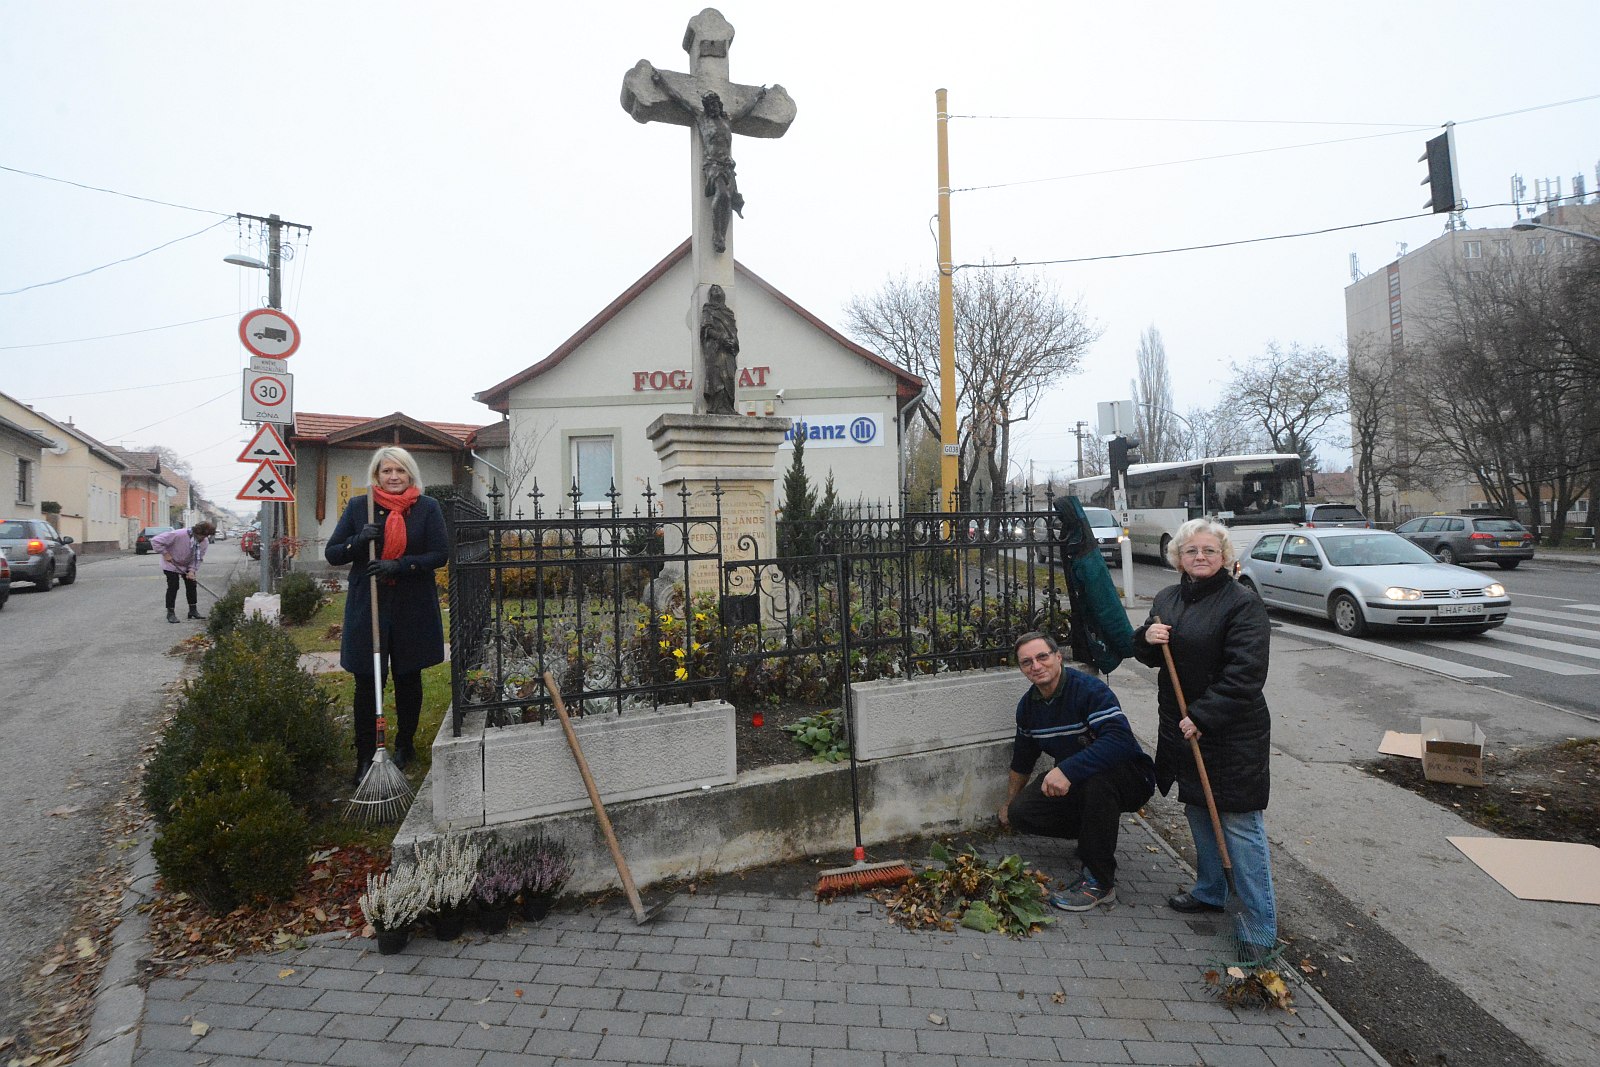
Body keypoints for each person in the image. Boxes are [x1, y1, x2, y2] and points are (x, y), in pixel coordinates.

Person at [1132, 517, 1278, 957]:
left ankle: (1260, 929)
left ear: (1225, 556)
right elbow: (1147, 656)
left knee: (1239, 823)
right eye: (1192, 551)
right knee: (1197, 809)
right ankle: (1211, 890)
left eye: (1209, 551)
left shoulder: (1242, 604)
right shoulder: (1167, 598)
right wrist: (1146, 637)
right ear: (1178, 556)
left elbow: (1246, 673)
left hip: (1231, 731)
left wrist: (1204, 715)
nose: (1200, 557)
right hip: (1181, 725)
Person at [999, 631, 1156, 911]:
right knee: (1021, 813)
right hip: (1080, 780)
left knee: (1098, 782)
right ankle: (1092, 836)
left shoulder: (1089, 690)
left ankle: (1099, 881)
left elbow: (1119, 740)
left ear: (1058, 657)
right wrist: (1010, 802)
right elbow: (1023, 759)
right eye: (1027, 662)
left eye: (1042, 657)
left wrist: (1067, 770)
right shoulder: (1028, 707)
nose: (1036, 666)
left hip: (1130, 775)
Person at [325, 446, 449, 784]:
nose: (393, 477)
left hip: (413, 607)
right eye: (386, 471)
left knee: (409, 678)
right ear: (376, 475)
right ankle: (365, 755)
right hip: (370, 607)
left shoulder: (427, 508)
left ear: (410, 475)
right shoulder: (358, 507)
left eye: (400, 471)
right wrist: (356, 540)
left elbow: (440, 553)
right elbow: (333, 553)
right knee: (368, 681)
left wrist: (401, 564)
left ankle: (404, 746)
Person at [651, 69, 769, 252]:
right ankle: (717, 234)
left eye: (716, 104)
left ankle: (722, 235)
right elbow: (678, 98)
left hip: (728, 166)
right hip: (713, 166)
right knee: (721, 194)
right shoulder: (701, 118)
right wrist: (661, 83)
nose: (713, 107)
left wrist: (757, 96)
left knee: (728, 199)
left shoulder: (728, 120)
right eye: (710, 104)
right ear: (706, 106)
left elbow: (746, 109)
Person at [151, 521, 215, 623]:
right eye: (202, 535)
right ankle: (170, 613)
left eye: (206, 536)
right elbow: (155, 541)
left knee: (191, 585)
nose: (204, 538)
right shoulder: (178, 534)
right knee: (173, 586)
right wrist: (165, 553)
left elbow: (198, 558)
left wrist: (192, 571)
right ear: (196, 531)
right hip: (171, 564)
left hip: (187, 564)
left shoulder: (204, 542)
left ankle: (193, 611)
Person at [699, 284, 739, 414]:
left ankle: (729, 406)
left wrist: (733, 344)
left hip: (728, 351)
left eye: (719, 290)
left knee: (729, 376)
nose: (717, 292)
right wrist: (720, 337)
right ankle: (717, 407)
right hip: (715, 351)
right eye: (714, 290)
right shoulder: (708, 310)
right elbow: (706, 329)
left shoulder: (729, 313)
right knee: (718, 377)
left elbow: (734, 333)